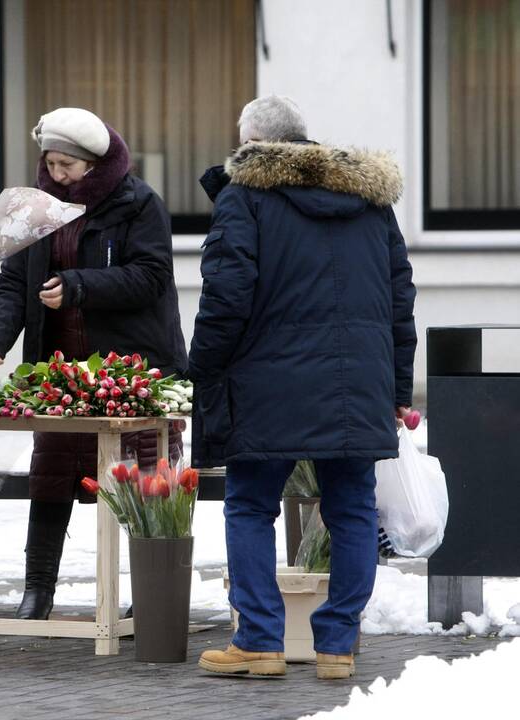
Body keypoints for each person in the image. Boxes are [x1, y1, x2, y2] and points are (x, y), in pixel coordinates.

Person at [189, 96, 416, 680]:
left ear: (253, 142)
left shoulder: (246, 196)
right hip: (357, 382)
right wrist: (395, 385)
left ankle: (260, 640)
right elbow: (399, 298)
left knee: (249, 505)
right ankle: (338, 645)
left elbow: (226, 293)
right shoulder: (370, 201)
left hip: (268, 381)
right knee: (353, 508)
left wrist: (204, 367)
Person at [0, 107, 188, 620]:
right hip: (62, 371)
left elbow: (151, 275)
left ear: (94, 163)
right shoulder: (37, 207)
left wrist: (78, 287)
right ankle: (38, 589)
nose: (57, 174)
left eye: (67, 165)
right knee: (50, 473)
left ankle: (153, 593)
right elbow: (13, 281)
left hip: (132, 370)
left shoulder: (139, 204)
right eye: (50, 163)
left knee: (143, 478)